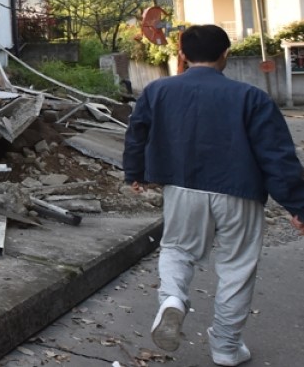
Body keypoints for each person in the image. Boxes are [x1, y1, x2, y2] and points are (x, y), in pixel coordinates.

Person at [123, 24, 304, 366]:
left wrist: (135, 173)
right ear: (225, 55)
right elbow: (276, 154)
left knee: (178, 249)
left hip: (181, 189)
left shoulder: (157, 91)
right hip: (240, 191)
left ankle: (173, 298)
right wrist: (298, 205)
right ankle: (225, 346)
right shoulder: (251, 98)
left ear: (183, 55)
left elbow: (137, 133)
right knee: (237, 266)